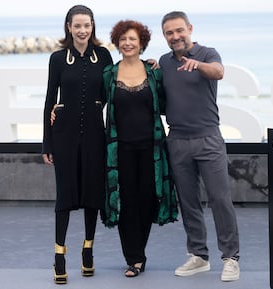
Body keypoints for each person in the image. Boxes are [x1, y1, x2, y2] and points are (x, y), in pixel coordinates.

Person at [159, 11, 240, 282]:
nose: (175, 36)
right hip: (177, 140)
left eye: (179, 30)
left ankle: (230, 258)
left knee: (220, 199)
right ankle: (198, 256)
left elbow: (219, 72)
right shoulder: (164, 62)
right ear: (165, 36)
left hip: (208, 139)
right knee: (188, 201)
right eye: (169, 33)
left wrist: (197, 65)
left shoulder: (207, 54)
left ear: (190, 29)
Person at [41, 5, 113, 285]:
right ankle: (59, 254)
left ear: (93, 27)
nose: (83, 30)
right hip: (64, 136)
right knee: (65, 195)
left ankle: (88, 249)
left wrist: (97, 106)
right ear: (68, 27)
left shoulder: (103, 56)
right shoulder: (57, 59)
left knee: (92, 193)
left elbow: (110, 91)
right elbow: (49, 99)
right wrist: (47, 141)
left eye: (87, 25)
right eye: (77, 25)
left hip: (95, 135)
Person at [102, 19, 178, 278]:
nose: (127, 43)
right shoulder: (109, 74)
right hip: (119, 150)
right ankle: (134, 257)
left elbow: (169, 105)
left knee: (147, 200)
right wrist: (59, 110)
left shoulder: (154, 72)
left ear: (141, 42)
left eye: (132, 39)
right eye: (123, 39)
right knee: (127, 202)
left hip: (151, 149)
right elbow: (92, 103)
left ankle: (139, 252)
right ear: (117, 43)